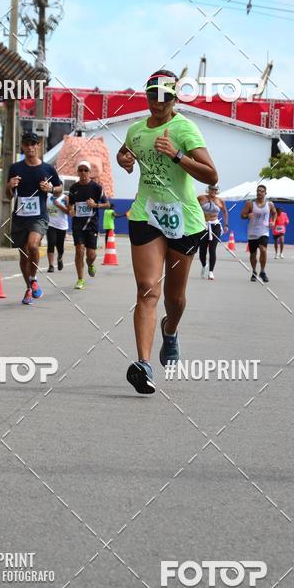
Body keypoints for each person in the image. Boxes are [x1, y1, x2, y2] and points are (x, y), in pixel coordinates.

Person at [117, 69, 218, 394]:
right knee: (147, 290)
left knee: (174, 298)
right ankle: (144, 365)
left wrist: (177, 155)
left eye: (165, 97)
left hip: (183, 219)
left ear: (174, 99)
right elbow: (126, 152)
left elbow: (211, 175)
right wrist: (124, 160)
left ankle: (170, 329)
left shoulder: (184, 128)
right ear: (147, 96)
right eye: (153, 96)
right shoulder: (135, 130)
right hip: (146, 214)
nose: (158, 103)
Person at [6, 130, 62, 305]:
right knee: (24, 255)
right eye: (27, 144)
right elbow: (9, 196)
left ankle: (34, 278)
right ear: (22, 146)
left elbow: (59, 188)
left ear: (38, 146)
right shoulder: (15, 168)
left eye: (33, 144)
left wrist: (50, 189)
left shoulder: (48, 169)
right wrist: (9, 186)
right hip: (20, 216)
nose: (30, 147)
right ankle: (29, 287)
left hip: (39, 216)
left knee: (32, 245)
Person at [67, 161, 110, 290]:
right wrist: (71, 210)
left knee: (91, 255)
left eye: (86, 170)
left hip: (92, 226)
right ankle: (80, 279)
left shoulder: (97, 187)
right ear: (77, 172)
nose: (83, 172)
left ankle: (90, 264)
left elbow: (107, 204)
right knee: (79, 250)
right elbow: (70, 205)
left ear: (90, 172)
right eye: (80, 170)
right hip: (78, 225)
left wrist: (95, 205)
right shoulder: (73, 188)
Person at [241, 184, 276, 283]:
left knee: (263, 249)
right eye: (258, 191)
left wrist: (273, 221)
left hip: (264, 231)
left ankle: (263, 271)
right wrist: (247, 215)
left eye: (261, 191)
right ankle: (254, 271)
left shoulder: (270, 204)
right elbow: (242, 215)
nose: (259, 192)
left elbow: (274, 213)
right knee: (253, 254)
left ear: (265, 193)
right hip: (252, 231)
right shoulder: (250, 204)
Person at [197, 184, 228, 279]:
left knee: (212, 249)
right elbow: (194, 209)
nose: (213, 191)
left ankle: (211, 272)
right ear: (208, 190)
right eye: (211, 189)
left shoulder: (220, 200)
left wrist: (226, 225)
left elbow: (225, 212)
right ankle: (204, 265)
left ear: (217, 191)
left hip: (215, 225)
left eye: (215, 190)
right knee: (202, 250)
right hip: (203, 226)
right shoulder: (201, 198)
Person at [46, 191, 69, 272]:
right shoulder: (48, 196)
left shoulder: (65, 198)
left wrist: (60, 206)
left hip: (61, 225)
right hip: (50, 224)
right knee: (51, 243)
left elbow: (69, 211)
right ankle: (51, 265)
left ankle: (60, 258)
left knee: (60, 246)